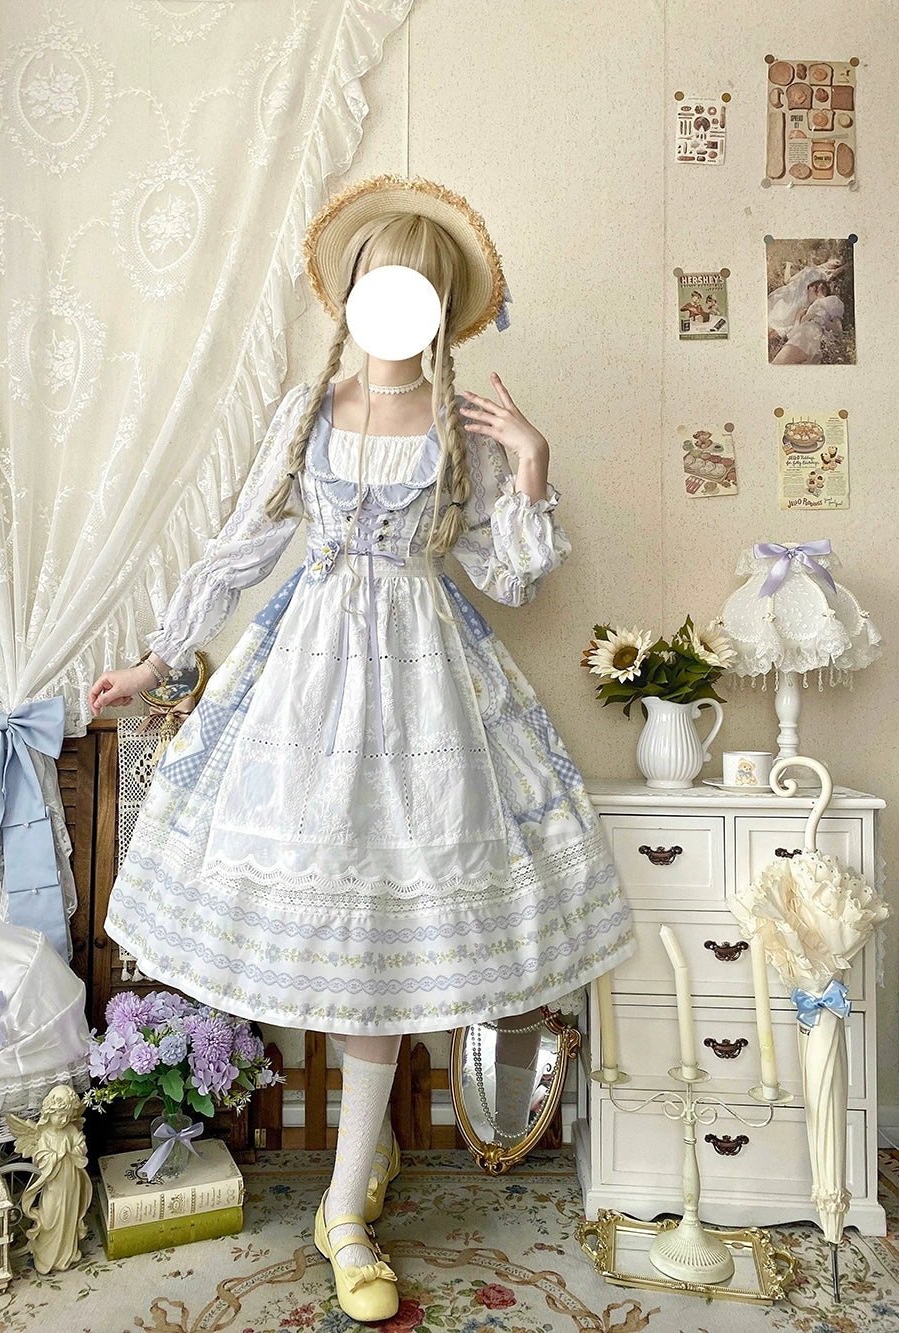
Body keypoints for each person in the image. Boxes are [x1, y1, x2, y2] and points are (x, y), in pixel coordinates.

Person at [89, 175, 633, 1322]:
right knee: (323, 933)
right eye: (379, 282)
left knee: (386, 941)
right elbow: (240, 550)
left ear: (441, 307)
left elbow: (511, 577)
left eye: (417, 287)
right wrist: (156, 659)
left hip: (426, 703)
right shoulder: (306, 413)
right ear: (346, 294)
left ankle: (342, 1209)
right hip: (305, 694)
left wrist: (531, 465)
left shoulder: (461, 431)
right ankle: (365, 1156)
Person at [6, 1085, 94, 1273]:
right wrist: (57, 1156)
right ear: (49, 1112)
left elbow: (81, 1146)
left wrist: (75, 1150)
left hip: (71, 1180)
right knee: (50, 1214)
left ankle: (66, 1254)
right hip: (54, 1182)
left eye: (67, 1116)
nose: (63, 1120)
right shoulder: (45, 1134)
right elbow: (40, 1157)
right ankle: (46, 1255)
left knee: (69, 1213)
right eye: (59, 1115)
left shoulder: (70, 1129)